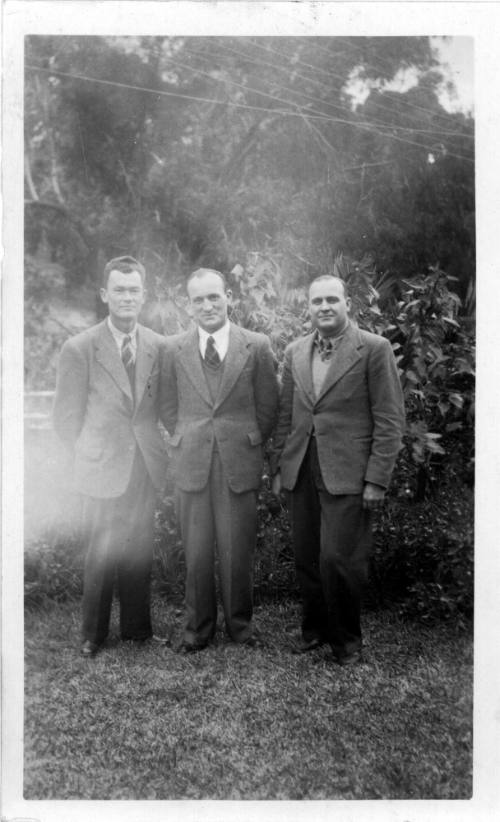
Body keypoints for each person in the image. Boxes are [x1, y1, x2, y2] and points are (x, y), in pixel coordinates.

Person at [271, 275, 405, 665]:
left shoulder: (373, 349)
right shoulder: (296, 351)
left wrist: (377, 478)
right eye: (317, 301)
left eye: (332, 299)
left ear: (348, 304)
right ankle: (314, 630)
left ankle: (346, 640)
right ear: (308, 307)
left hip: (349, 472)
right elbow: (286, 416)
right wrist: (280, 466)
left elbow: (390, 418)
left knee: (338, 558)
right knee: (307, 556)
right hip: (302, 468)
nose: (324, 307)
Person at [53, 256, 169, 657]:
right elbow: (65, 419)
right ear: (104, 295)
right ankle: (94, 634)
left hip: (143, 465)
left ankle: (138, 629)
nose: (126, 297)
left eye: (133, 290)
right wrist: (87, 456)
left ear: (144, 295)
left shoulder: (157, 344)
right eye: (118, 289)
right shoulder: (80, 347)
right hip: (100, 465)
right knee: (101, 552)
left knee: (138, 547)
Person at [162, 268, 279, 652]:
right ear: (189, 305)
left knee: (236, 549)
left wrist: (246, 439)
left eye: (214, 297)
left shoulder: (256, 345)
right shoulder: (173, 348)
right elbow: (166, 406)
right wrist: (189, 435)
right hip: (192, 461)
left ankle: (240, 626)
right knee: (195, 551)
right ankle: (197, 628)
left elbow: (268, 407)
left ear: (229, 296)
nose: (208, 305)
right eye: (199, 299)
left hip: (238, 460)